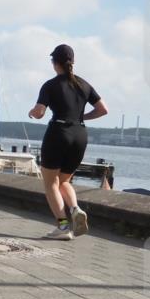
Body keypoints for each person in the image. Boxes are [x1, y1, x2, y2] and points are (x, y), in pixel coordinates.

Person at [28, 44, 108, 240]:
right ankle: (75, 208)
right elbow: (103, 109)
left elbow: (39, 112)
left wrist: (32, 112)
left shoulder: (50, 85)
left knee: (50, 184)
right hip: (80, 134)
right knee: (64, 181)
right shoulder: (84, 84)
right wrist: (80, 118)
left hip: (59, 133)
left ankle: (63, 227)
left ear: (55, 63)